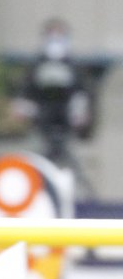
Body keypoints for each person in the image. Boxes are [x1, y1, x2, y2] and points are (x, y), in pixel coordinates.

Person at [13, 17, 94, 194]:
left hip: (65, 121)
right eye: (52, 35)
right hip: (41, 121)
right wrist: (23, 107)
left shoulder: (73, 65)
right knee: (36, 159)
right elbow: (25, 91)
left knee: (68, 162)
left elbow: (82, 91)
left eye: (60, 35)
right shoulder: (37, 65)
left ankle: (75, 193)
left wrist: (81, 112)